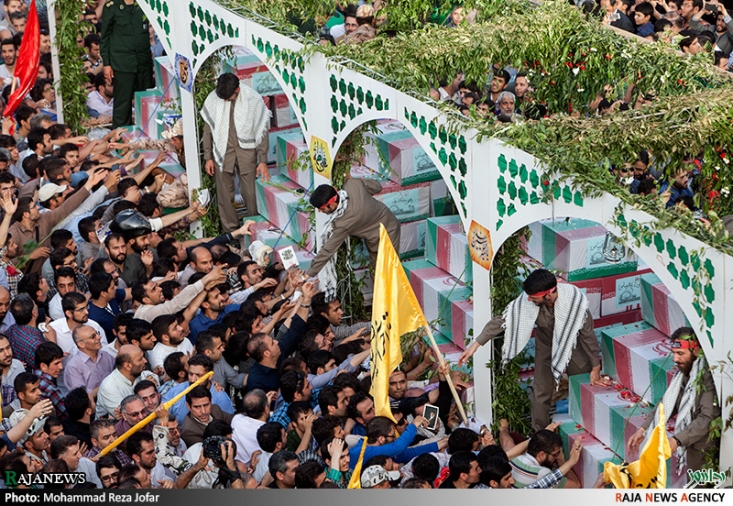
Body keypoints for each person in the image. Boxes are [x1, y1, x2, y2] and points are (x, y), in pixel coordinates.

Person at [459, 269, 605, 432]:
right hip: (546, 345)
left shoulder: (575, 303)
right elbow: (503, 320)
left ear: (548, 295)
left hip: (574, 345)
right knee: (541, 392)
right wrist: (476, 345)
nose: (529, 299)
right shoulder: (528, 301)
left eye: (533, 297)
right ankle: (540, 433)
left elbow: (588, 336)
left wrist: (595, 366)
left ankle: (586, 426)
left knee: (581, 386)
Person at [628, 328, 720, 473]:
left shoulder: (708, 376)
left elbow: (707, 418)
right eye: (674, 354)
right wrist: (643, 429)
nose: (675, 359)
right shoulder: (685, 371)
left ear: (696, 351)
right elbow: (667, 403)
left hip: (705, 450)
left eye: (680, 353)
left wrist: (677, 440)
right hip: (691, 444)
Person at [307, 180, 400, 299]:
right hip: (378, 229)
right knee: (376, 273)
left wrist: (308, 274)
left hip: (387, 232)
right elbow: (377, 187)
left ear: (332, 204)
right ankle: (381, 307)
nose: (320, 211)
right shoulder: (352, 184)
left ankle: (391, 308)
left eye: (322, 208)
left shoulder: (344, 222)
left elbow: (328, 250)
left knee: (386, 274)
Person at [201, 72, 270, 232]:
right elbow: (208, 130)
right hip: (222, 152)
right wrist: (208, 157)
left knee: (251, 194)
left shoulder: (253, 99)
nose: (224, 101)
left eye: (228, 98)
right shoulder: (214, 98)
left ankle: (255, 230)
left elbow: (262, 131)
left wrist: (263, 160)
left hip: (247, 153)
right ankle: (231, 233)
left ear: (237, 90)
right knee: (225, 196)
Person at [100, 0, 153, 127]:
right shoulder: (112, 7)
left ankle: (148, 136)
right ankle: (120, 141)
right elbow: (105, 38)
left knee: (147, 102)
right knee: (123, 105)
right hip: (122, 64)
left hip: (143, 62)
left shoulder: (145, 5)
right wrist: (107, 64)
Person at [64, 325, 115, 397]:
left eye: (97, 333)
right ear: (81, 344)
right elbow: (81, 396)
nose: (99, 337)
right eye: (93, 336)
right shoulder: (73, 366)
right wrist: (106, 387)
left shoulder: (106, 356)